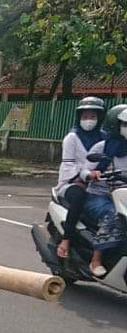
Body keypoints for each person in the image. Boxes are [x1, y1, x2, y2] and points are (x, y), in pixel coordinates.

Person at [55, 96, 106, 264]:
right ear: (79, 118)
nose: (89, 120)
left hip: (98, 184)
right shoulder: (72, 138)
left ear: (100, 118)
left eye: (92, 116)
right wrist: (85, 176)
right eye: (85, 117)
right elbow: (68, 165)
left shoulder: (105, 139)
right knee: (79, 197)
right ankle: (66, 240)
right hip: (71, 183)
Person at [82, 103, 127, 277]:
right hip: (98, 196)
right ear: (115, 125)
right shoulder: (103, 147)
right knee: (113, 216)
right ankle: (96, 260)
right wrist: (91, 174)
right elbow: (84, 170)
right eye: (124, 125)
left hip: (123, 196)